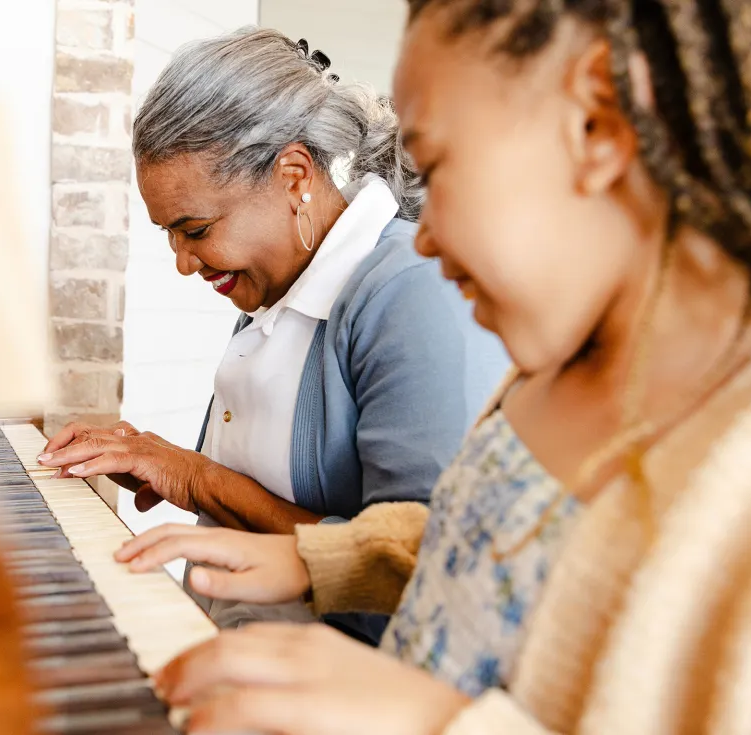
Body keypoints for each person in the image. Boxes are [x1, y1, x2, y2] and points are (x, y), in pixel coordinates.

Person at [114, 0, 751, 733]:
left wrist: (438, 721)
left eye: (436, 169)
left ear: (597, 122)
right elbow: (487, 545)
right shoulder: (552, 373)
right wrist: (322, 559)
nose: (425, 235)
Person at [36, 28, 508, 641]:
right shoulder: (278, 282)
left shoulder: (408, 293)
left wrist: (195, 477)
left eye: (197, 228)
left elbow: (425, 572)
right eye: (169, 235)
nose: (184, 261)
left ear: (293, 176)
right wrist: (161, 464)